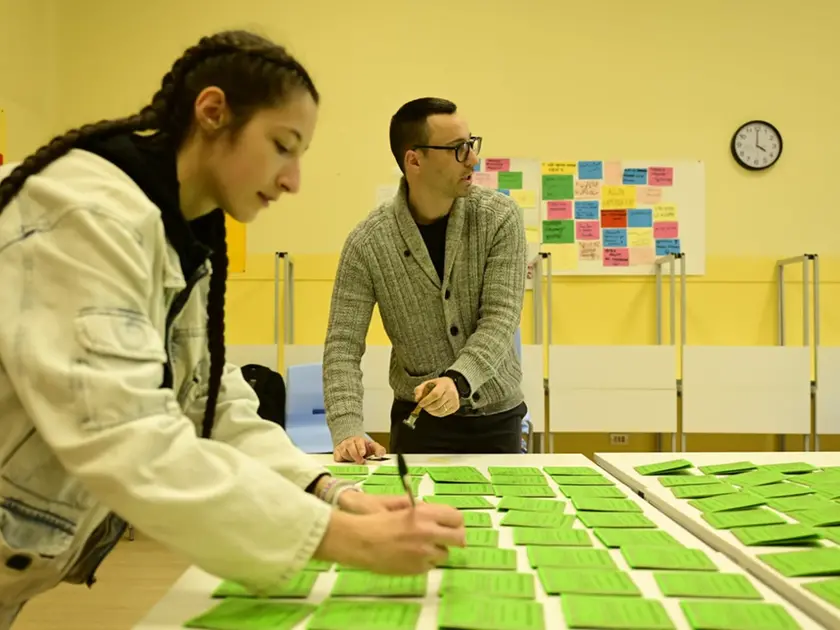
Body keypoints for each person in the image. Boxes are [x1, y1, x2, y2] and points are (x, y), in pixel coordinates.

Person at [0, 32, 465, 627]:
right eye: (282, 146)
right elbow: (129, 438)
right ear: (213, 112)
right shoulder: (84, 218)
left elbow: (213, 405)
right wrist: (341, 540)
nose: (293, 180)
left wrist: (334, 496)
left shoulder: (175, 230)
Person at [324, 97, 528, 463]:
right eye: (457, 150)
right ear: (413, 160)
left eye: (472, 144)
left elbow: (501, 317)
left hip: (497, 418)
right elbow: (342, 346)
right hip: (419, 424)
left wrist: (458, 380)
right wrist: (347, 429)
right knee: (415, 519)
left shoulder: (499, 218)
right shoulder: (368, 242)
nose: (472, 159)